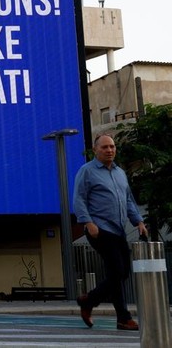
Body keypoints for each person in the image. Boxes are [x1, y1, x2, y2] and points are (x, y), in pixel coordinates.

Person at [73, 134, 147, 331]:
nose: (109, 150)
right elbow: (79, 199)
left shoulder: (120, 173)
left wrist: (138, 221)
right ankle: (123, 317)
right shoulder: (87, 171)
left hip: (118, 229)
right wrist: (88, 223)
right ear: (96, 150)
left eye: (112, 147)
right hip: (99, 228)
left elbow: (128, 200)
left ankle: (89, 300)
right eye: (105, 147)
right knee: (117, 271)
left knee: (121, 273)